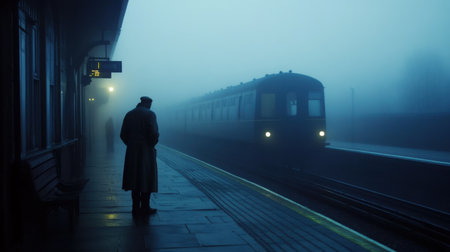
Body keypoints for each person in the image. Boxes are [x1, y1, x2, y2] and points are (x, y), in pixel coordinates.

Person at [120, 96, 159, 215]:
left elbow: (123, 134)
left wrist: (131, 144)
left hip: (132, 151)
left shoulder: (129, 114)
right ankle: (145, 207)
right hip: (146, 151)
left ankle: (135, 207)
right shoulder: (150, 114)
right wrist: (150, 145)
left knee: (134, 180)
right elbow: (154, 134)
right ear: (148, 104)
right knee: (146, 178)